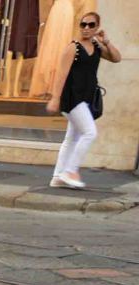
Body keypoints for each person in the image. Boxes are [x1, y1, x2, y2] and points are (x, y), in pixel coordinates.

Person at [47, 12, 122, 189]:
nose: (86, 28)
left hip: (86, 97)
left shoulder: (96, 47)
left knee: (72, 138)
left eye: (91, 25)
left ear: (97, 27)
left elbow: (117, 58)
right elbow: (61, 75)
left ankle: (57, 176)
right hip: (72, 97)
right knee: (90, 133)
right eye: (83, 24)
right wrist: (55, 99)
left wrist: (106, 41)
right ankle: (70, 171)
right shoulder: (73, 47)